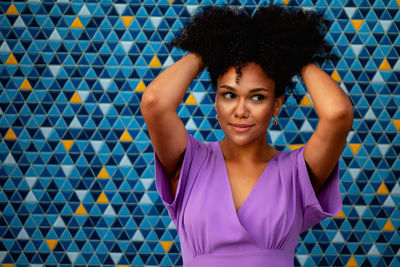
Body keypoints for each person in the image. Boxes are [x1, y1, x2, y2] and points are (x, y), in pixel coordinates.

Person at [140, 4, 353, 267]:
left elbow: (338, 114)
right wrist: (213, 46)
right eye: (229, 95)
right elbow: (154, 103)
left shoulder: (297, 173)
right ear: (216, 102)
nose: (240, 111)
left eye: (257, 97)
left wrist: (291, 51)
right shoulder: (189, 163)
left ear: (276, 105)